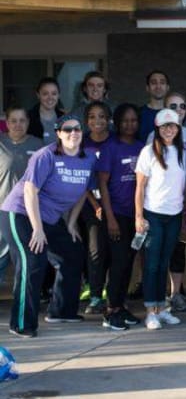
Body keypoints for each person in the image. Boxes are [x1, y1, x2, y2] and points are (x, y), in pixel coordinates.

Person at [0, 114, 97, 337]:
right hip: (20, 214)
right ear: (59, 134)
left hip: (50, 219)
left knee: (72, 254)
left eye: (77, 129)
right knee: (33, 262)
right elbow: (29, 191)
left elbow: (84, 190)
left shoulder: (88, 158)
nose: (73, 133)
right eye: (68, 129)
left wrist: (71, 223)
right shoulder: (46, 155)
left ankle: (61, 311)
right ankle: (21, 323)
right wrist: (37, 229)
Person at [134, 108, 185, 330]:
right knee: (152, 264)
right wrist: (138, 216)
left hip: (174, 215)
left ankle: (162, 308)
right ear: (157, 128)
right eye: (164, 126)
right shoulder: (148, 151)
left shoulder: (181, 150)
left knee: (164, 263)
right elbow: (140, 187)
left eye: (172, 125)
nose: (169, 130)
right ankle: (150, 311)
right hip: (153, 214)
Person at [150, 91, 186, 313]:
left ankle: (175, 293)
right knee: (159, 252)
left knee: (179, 248)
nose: (178, 110)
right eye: (173, 106)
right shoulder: (153, 140)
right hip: (159, 205)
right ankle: (157, 299)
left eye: (182, 106)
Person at [97, 103, 144, 331]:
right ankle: (110, 310)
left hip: (135, 216)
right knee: (117, 263)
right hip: (116, 215)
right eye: (125, 120)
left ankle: (121, 305)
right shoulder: (110, 147)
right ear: (117, 122)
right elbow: (103, 184)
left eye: (134, 120)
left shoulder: (141, 147)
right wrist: (111, 218)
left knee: (128, 262)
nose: (130, 124)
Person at [0, 108, 43, 284]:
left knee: (25, 257)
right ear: (7, 123)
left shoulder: (38, 145)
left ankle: (24, 296)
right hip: (3, 209)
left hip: (29, 212)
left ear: (28, 122)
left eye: (22, 120)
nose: (18, 124)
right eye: (14, 120)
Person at [79, 101, 113, 315]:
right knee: (95, 250)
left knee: (114, 251)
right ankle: (94, 296)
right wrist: (95, 204)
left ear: (108, 119)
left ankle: (113, 295)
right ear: (86, 121)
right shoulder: (81, 143)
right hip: (90, 204)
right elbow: (80, 178)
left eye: (101, 116)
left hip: (114, 204)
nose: (97, 121)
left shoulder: (116, 142)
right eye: (92, 116)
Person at [28, 77, 65, 145]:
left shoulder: (65, 118)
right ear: (38, 95)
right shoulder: (28, 118)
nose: (50, 97)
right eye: (45, 94)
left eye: (54, 94)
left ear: (58, 95)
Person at [138, 70, 170, 142]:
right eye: (153, 83)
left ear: (167, 87)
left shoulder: (174, 113)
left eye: (162, 83)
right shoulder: (138, 113)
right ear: (147, 88)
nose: (158, 86)